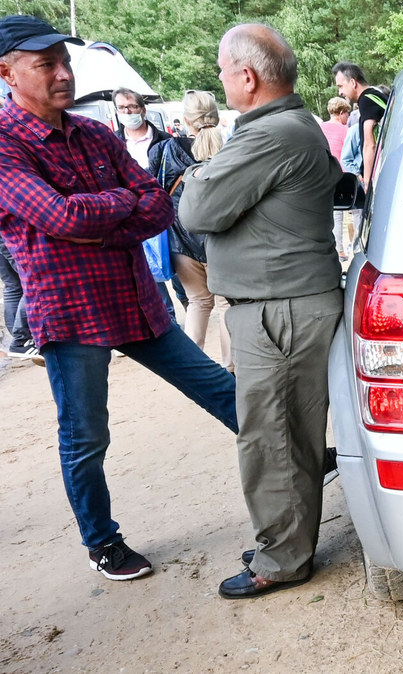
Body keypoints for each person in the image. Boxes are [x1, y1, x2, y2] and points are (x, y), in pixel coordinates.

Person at [0, 15, 238, 582]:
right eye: (46, 65)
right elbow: (57, 215)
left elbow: (156, 204)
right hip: (72, 312)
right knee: (85, 434)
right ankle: (102, 541)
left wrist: (95, 219)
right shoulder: (5, 144)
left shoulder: (95, 133)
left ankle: (300, 461)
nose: (63, 74)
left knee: (218, 386)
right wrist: (117, 209)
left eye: (65, 61)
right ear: (6, 72)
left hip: (134, 300)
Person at [180, 23, 344, 599]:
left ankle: (282, 558)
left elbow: (197, 208)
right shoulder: (287, 128)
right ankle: (286, 538)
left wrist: (196, 173)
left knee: (272, 437)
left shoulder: (271, 135)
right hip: (285, 305)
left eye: (224, 70)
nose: (221, 79)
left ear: (246, 77)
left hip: (281, 309)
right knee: (287, 434)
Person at [147, 90, 232, 370]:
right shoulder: (231, 149)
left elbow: (154, 194)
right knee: (225, 305)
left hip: (180, 241)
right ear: (216, 117)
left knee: (197, 303)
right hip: (222, 241)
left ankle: (191, 367)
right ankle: (230, 369)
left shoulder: (164, 151)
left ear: (184, 119)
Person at [113, 87, 186, 319]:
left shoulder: (165, 141)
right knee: (150, 271)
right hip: (134, 218)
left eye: (132, 107)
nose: (127, 112)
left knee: (178, 268)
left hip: (168, 216)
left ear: (143, 110)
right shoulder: (113, 144)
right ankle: (169, 319)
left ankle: (189, 305)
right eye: (122, 108)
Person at [331, 61, 385, 187]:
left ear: (353, 83)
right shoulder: (377, 95)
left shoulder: (366, 100)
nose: (340, 92)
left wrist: (367, 181)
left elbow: (369, 144)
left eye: (341, 86)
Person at [320, 96, 350, 259]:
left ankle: (336, 248)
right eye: (347, 113)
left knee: (333, 215)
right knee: (352, 212)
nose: (347, 117)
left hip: (325, 174)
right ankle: (351, 247)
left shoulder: (320, 127)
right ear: (341, 113)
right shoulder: (346, 130)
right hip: (344, 174)